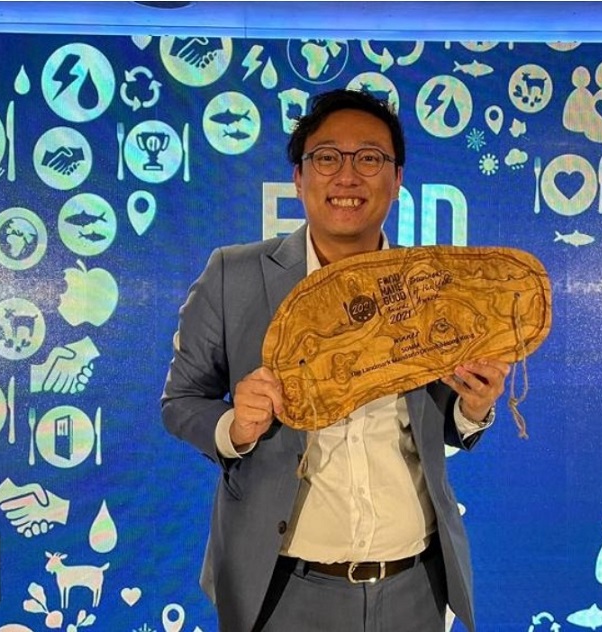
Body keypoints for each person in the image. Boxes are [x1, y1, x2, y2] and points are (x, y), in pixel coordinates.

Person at [161, 88, 511, 632]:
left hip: (415, 587)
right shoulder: (233, 275)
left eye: (370, 158)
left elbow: (442, 421)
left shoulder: (429, 286)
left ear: (397, 179)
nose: (347, 177)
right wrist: (235, 426)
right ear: (299, 178)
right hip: (282, 590)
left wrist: (473, 407)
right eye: (327, 158)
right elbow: (181, 401)